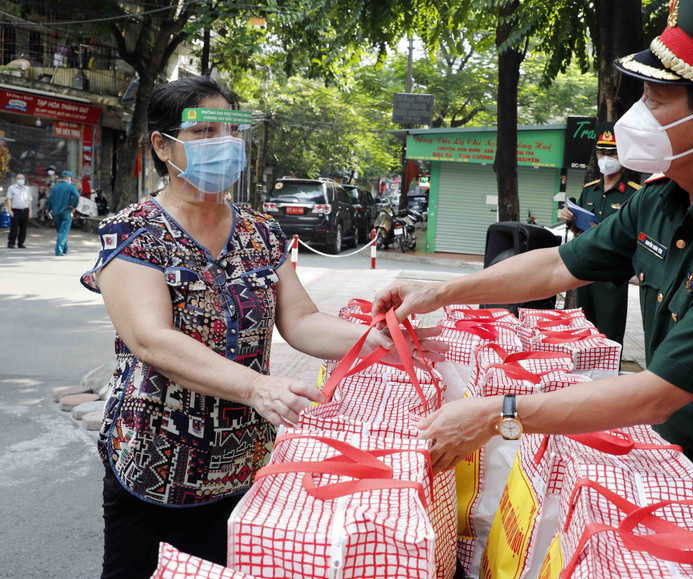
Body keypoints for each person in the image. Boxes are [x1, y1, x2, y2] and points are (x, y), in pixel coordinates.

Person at [373, 0, 693, 579]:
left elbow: (655, 394)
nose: (634, 117)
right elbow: (557, 266)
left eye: (655, 100)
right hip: (679, 463)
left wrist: (496, 413)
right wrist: (441, 292)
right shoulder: (664, 197)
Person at [80, 76, 444, 578]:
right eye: (204, 131)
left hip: (246, 467)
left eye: (231, 131)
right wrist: (256, 387)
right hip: (155, 466)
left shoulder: (261, 231)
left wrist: (375, 340)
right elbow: (151, 340)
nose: (223, 144)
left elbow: (302, 321)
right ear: (163, 146)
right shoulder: (133, 232)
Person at [559, 128, 641, 344]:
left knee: (609, 335)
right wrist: (571, 220)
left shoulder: (634, 193)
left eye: (612, 153)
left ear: (622, 156)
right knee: (584, 331)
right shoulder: (590, 190)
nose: (606, 158)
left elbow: (636, 235)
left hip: (612, 274)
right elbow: (579, 231)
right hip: (586, 271)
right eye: (601, 153)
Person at [47, 169, 79, 255]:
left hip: (56, 212)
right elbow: (77, 196)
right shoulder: (71, 187)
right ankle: (59, 250)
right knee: (64, 231)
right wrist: (73, 206)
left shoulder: (54, 187)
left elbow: (50, 199)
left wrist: (48, 209)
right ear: (69, 178)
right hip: (67, 211)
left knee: (60, 231)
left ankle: (65, 249)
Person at [6, 172, 31, 248]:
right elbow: (9, 199)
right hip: (15, 210)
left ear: (24, 179)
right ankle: (11, 242)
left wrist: (30, 211)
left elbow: (29, 201)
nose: (20, 180)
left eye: (22, 178)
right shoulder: (12, 188)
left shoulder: (27, 189)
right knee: (14, 228)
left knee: (23, 228)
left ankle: (21, 243)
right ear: (16, 179)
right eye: (19, 178)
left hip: (25, 210)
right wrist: (9, 210)